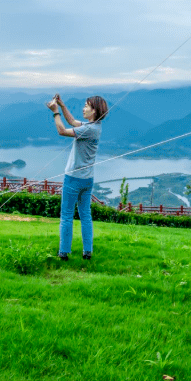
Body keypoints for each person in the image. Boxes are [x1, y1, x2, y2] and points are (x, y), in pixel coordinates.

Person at [48, 94, 108, 261]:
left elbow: (62, 131)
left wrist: (55, 112)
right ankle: (87, 251)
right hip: (87, 180)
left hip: (73, 178)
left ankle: (64, 252)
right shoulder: (95, 126)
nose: (83, 108)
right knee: (85, 215)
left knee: (67, 215)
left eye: (86, 106)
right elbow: (73, 122)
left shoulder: (89, 129)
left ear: (94, 111)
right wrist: (62, 105)